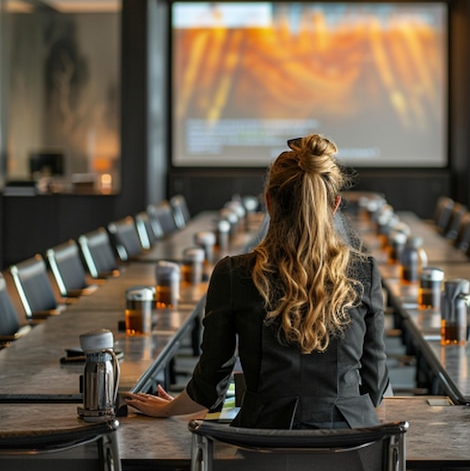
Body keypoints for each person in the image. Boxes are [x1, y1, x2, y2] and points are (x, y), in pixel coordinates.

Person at [126, 134, 389, 428]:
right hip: (349, 455)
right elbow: (375, 388)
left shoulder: (232, 274)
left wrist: (169, 409)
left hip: (260, 453)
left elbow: (208, 388)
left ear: (269, 201)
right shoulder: (364, 272)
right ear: (336, 204)